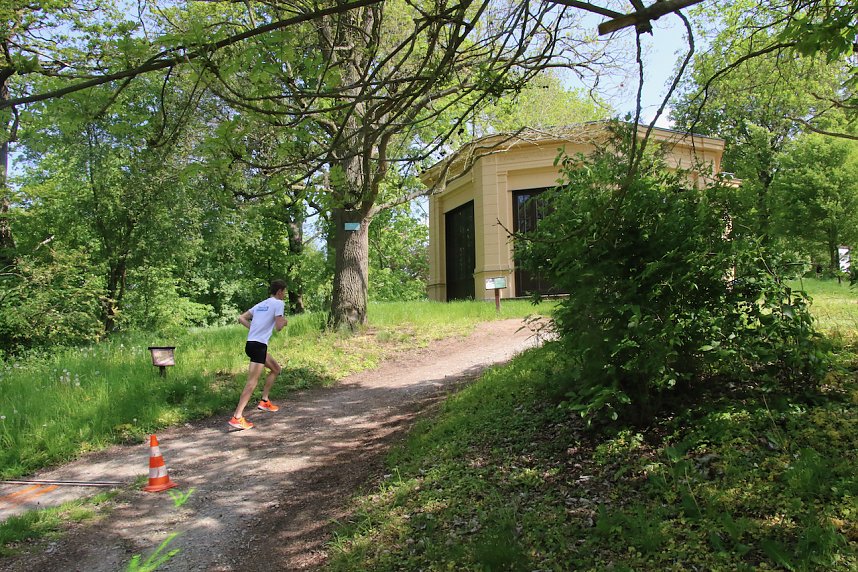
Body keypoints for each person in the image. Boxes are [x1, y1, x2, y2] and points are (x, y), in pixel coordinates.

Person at [228, 279, 288, 430]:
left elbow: (241, 318)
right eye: (284, 292)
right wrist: (284, 321)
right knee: (251, 383)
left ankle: (264, 401)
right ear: (280, 291)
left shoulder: (261, 304)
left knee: (276, 369)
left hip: (252, 344)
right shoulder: (278, 303)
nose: (285, 295)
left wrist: (253, 329)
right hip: (259, 346)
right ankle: (237, 417)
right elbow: (279, 327)